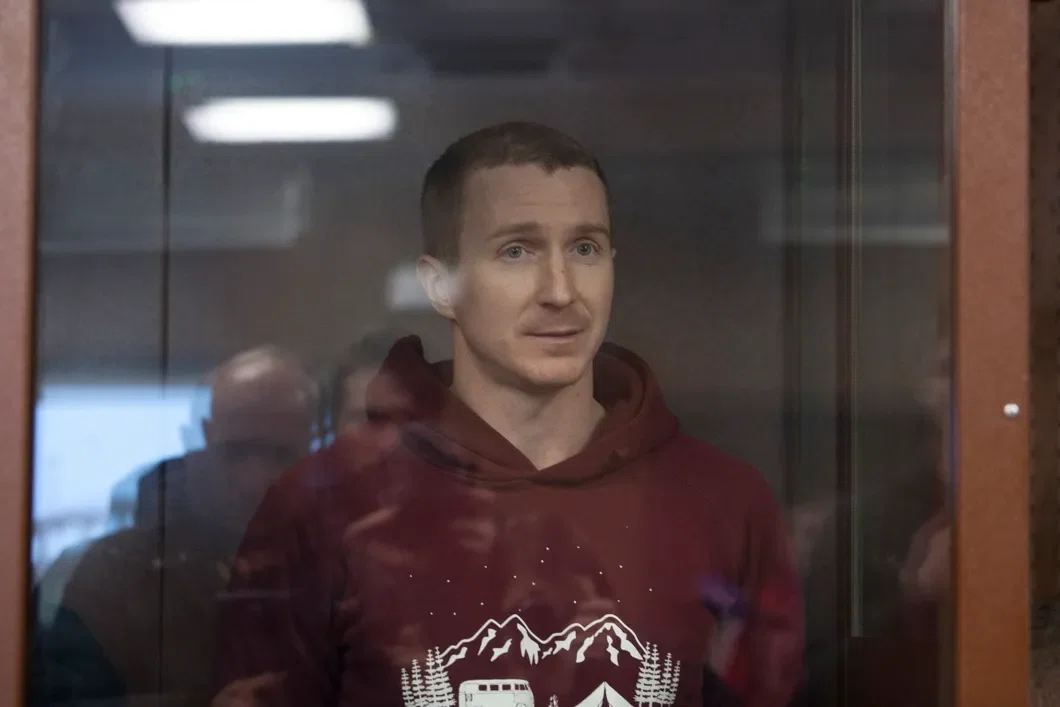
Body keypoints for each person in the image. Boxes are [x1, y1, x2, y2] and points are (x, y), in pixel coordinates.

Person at [214, 122, 803, 707]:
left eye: (585, 248)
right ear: (441, 286)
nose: (560, 291)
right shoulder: (323, 506)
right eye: (516, 251)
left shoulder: (724, 502)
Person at [34, 347, 318, 706]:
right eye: (235, 452)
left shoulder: (342, 565)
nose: (255, 480)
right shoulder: (110, 577)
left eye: (281, 455)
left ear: (313, 450)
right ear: (197, 443)